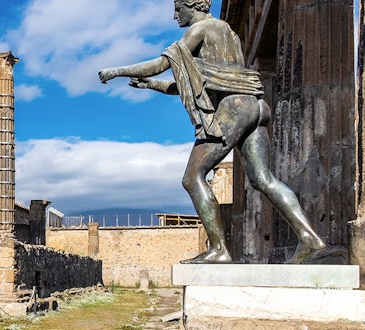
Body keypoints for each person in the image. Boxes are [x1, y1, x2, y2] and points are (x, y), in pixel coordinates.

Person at [97, 0, 325, 264]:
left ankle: (219, 249)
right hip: (255, 105)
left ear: (192, 6)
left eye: (177, 9)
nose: (175, 16)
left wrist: (117, 71)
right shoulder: (229, 33)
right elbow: (194, 83)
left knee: (192, 178)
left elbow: (161, 64)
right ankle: (309, 237)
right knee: (263, 179)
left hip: (233, 109)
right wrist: (150, 86)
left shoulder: (200, 30)